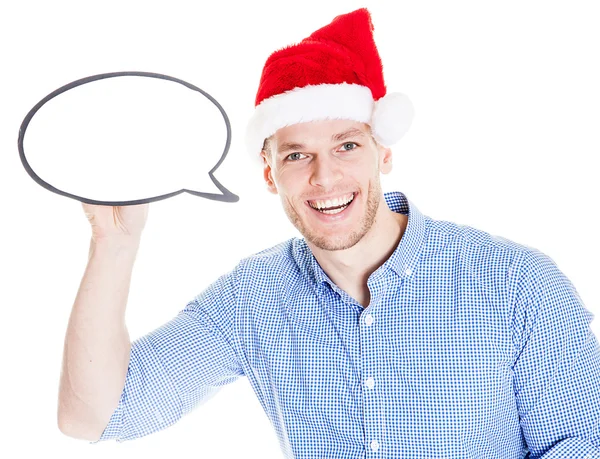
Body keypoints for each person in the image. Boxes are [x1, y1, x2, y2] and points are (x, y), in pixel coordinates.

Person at [57, 8, 600, 459]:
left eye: (347, 146)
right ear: (270, 176)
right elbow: (94, 418)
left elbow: (584, 443)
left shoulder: (519, 284)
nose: (324, 177)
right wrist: (114, 243)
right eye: (297, 155)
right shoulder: (252, 298)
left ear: (383, 154)